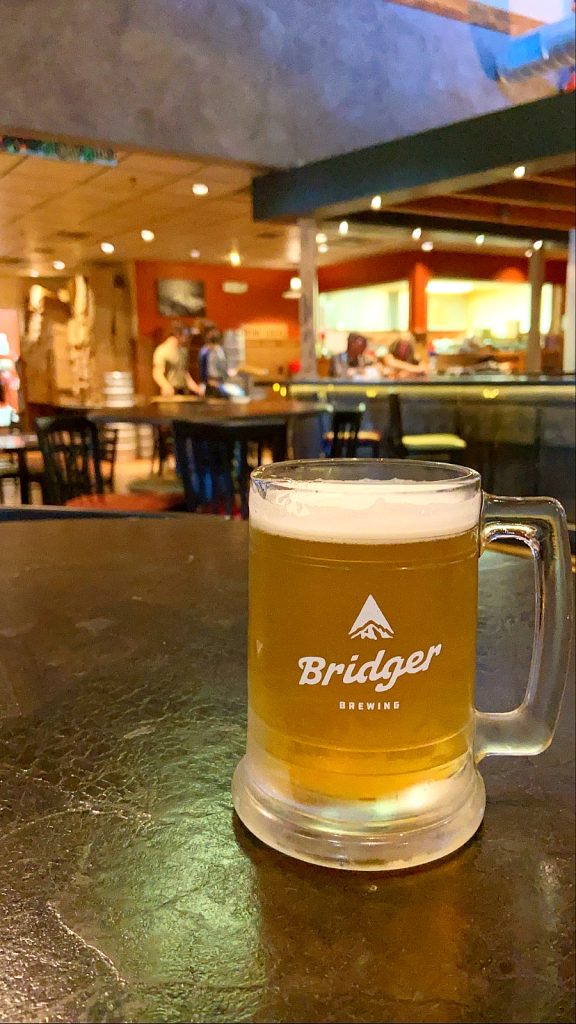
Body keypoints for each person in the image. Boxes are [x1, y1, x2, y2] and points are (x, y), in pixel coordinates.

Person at [152, 326, 202, 397]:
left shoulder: (183, 351)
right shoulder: (162, 351)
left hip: (183, 391)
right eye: (186, 335)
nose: (188, 339)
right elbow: (157, 373)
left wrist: (196, 388)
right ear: (178, 335)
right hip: (170, 392)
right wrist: (165, 385)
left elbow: (184, 373)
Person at [198, 327, 232, 398]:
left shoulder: (220, 352)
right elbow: (203, 369)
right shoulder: (207, 352)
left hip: (218, 384)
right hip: (211, 384)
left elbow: (223, 368)